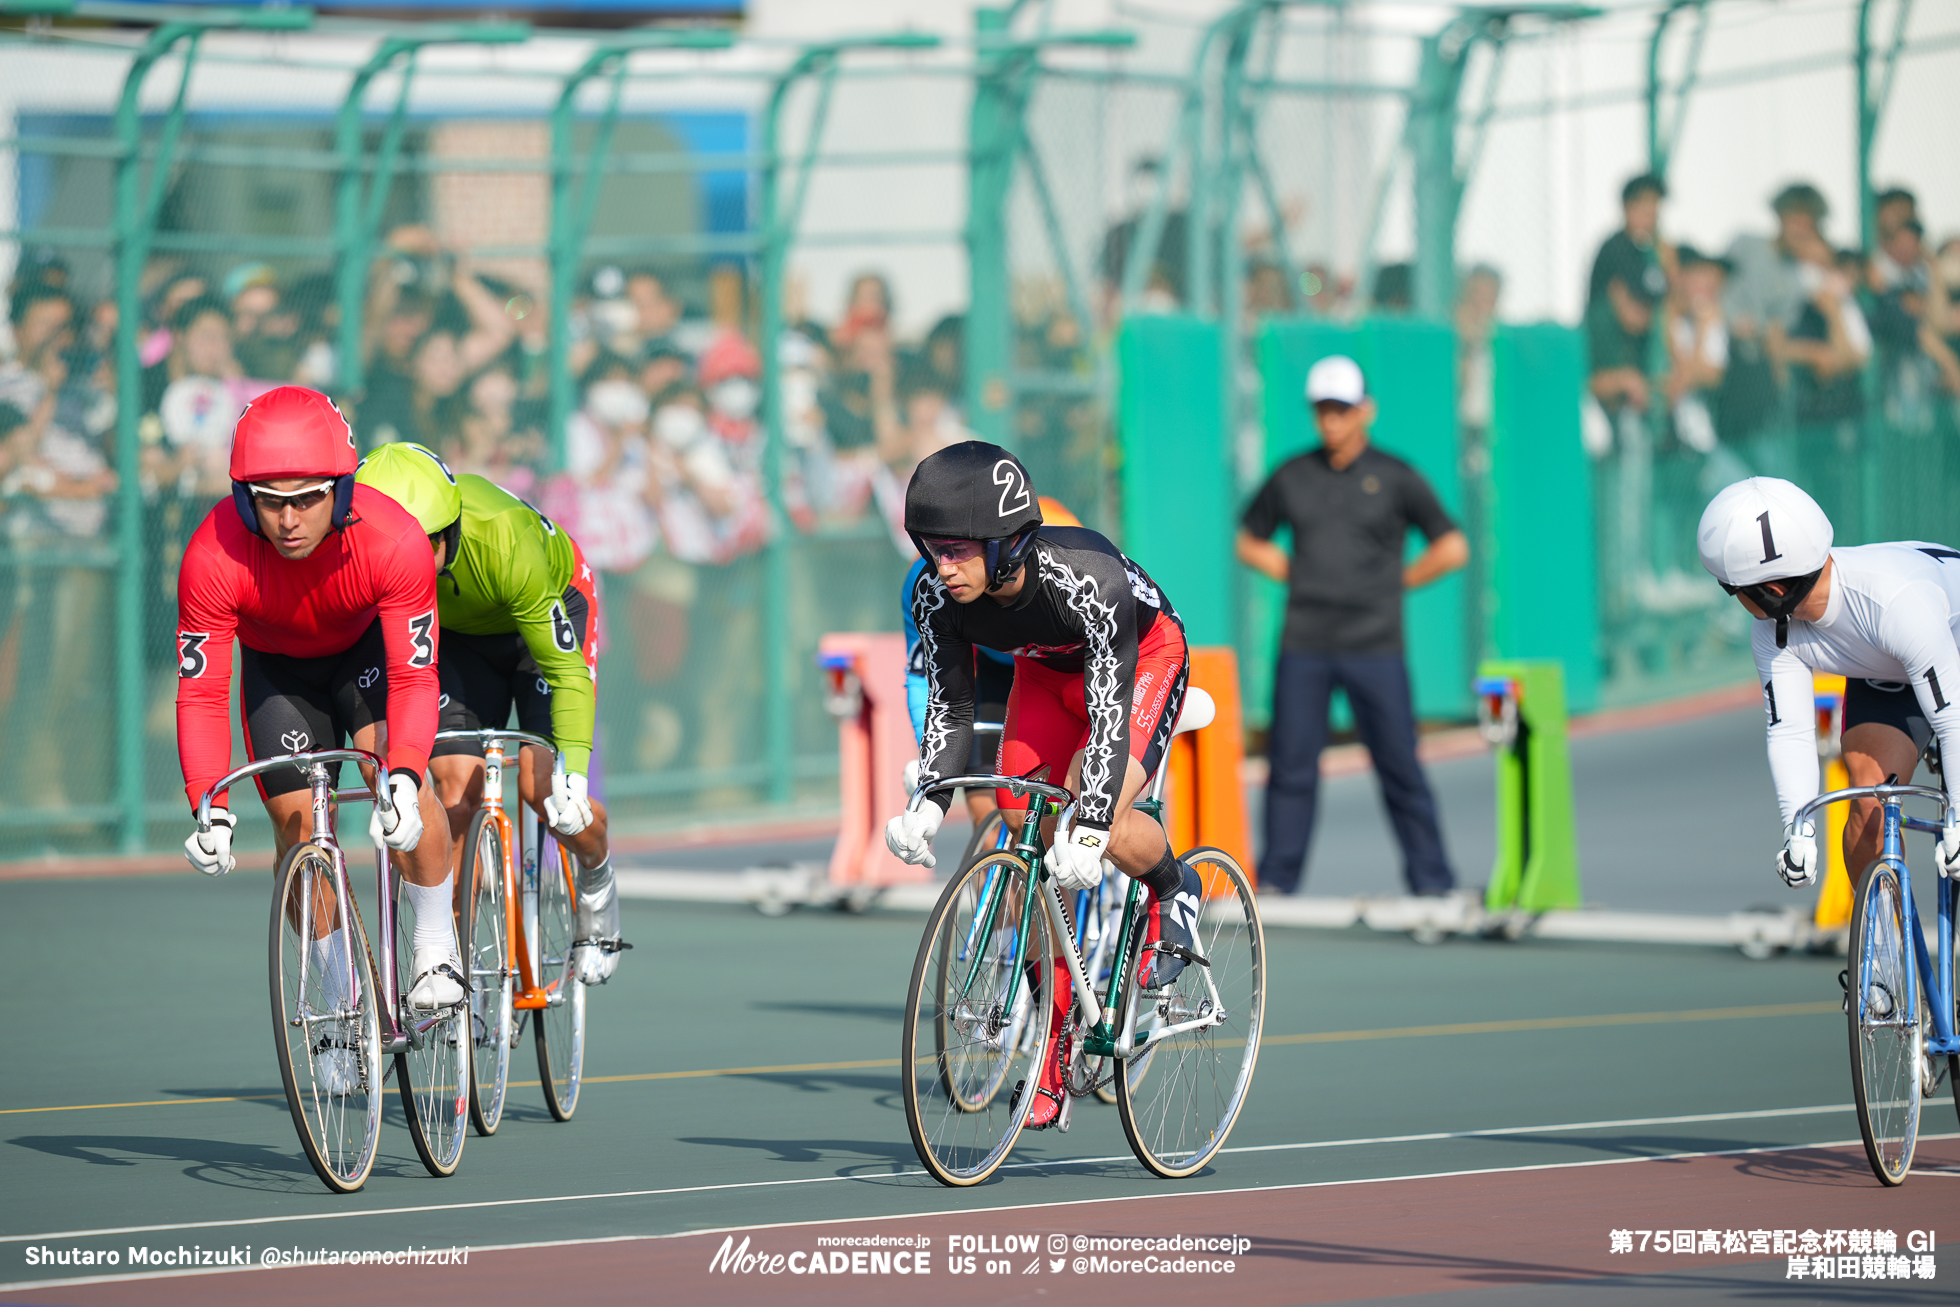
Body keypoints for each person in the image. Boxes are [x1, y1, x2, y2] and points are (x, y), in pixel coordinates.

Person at [884, 443, 1201, 1131]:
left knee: (1099, 801)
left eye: (961, 549)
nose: (943, 565)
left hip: (1140, 661)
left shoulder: (1085, 576)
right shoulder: (935, 591)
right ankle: (1052, 1052)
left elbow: (1112, 714)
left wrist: (1089, 819)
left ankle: (1176, 888)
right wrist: (930, 801)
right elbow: (954, 706)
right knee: (1018, 820)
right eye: (932, 547)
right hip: (1045, 674)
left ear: (1008, 543)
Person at [174, 387, 459, 1060]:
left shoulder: (395, 540)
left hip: (365, 658)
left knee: (397, 775)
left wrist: (406, 771)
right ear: (246, 497)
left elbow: (416, 676)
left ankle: (434, 947)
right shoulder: (211, 556)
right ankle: (335, 1006)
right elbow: (203, 693)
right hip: (281, 673)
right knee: (298, 828)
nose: (289, 519)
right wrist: (207, 802)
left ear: (342, 488)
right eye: (270, 500)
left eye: (307, 497)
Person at [354, 443, 627, 985]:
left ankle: (596, 879)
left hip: (541, 617)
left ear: (449, 532)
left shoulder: (505, 538)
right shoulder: (374, 556)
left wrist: (574, 771)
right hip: (457, 636)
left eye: (417, 546)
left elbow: (568, 672)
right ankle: (446, 964)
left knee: (539, 785)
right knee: (453, 791)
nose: (399, 559)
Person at [1235, 355, 1469, 897]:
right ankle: (1276, 882)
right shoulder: (1293, 474)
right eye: (1323, 410)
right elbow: (1249, 537)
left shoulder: (1395, 476)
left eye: (1342, 409)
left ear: (1367, 410)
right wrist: (1289, 571)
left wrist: (1400, 581)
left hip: (1375, 645)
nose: (1332, 421)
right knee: (1291, 767)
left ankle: (1432, 883)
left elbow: (1452, 546)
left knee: (1399, 766)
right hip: (1306, 643)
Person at [1695, 477, 1960, 896]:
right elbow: (1790, 731)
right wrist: (1797, 830)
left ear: (1772, 591)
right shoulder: (1771, 632)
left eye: (1733, 591)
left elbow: (1954, 721)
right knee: (1871, 804)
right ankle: (1884, 950)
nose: (1733, 601)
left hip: (1950, 655)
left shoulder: (1894, 604)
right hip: (1889, 669)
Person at [899, 496, 1082, 829]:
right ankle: (1006, 874)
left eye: (959, 552)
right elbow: (925, 680)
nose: (948, 570)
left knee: (1076, 801)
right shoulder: (924, 586)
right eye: (938, 553)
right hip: (999, 668)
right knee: (991, 807)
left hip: (1069, 658)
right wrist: (928, 756)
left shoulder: (1051, 560)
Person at [1585, 174, 1671, 421]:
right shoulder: (1615, 249)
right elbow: (1633, 316)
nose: (1651, 216)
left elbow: (1667, 296)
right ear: (1627, 208)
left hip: (1634, 362)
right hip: (1609, 357)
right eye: (1644, 207)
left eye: (1655, 209)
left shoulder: (1649, 253)